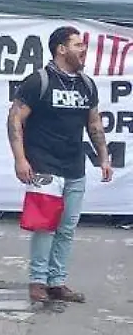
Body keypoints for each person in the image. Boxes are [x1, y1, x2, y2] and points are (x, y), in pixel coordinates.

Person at [8, 26, 112, 304]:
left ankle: (57, 282)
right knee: (45, 226)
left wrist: (103, 157)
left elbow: (94, 123)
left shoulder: (86, 84)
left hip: (74, 167)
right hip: (44, 165)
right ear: (61, 49)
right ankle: (38, 281)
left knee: (67, 228)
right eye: (78, 45)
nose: (83, 50)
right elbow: (15, 118)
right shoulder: (38, 81)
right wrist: (20, 159)